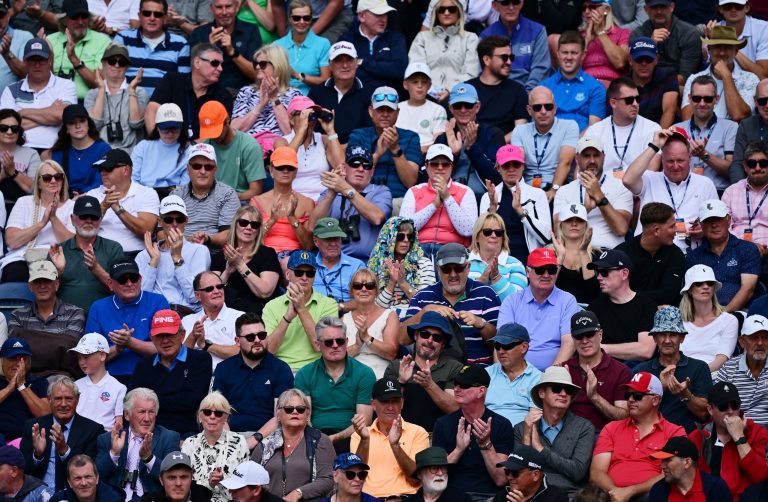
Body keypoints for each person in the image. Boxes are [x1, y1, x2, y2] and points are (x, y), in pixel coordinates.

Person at [590, 371, 685, 501]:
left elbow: (673, 472)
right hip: (610, 494)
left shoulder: (674, 432)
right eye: (628, 394)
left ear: (655, 400)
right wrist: (616, 493)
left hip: (650, 495)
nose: (630, 399)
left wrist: (630, 491)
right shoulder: (611, 428)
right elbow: (597, 471)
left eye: (637, 395)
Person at [623, 127, 718, 253]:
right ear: (662, 160)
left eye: (680, 160)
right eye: (670, 161)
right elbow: (627, 180)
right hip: (650, 254)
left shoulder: (705, 184)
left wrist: (704, 229)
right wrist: (655, 145)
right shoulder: (649, 179)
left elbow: (716, 222)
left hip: (690, 255)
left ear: (690, 158)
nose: (675, 166)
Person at [403, 243, 500, 364]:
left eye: (459, 268)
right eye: (446, 269)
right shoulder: (422, 297)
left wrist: (481, 324)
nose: (453, 274)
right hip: (432, 374)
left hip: (477, 375)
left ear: (468, 267)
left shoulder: (486, 294)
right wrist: (425, 311)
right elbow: (402, 340)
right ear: (438, 270)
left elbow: (501, 346)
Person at [432, 364, 514, 500]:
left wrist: (485, 444)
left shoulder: (501, 425)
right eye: (456, 384)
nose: (456, 389)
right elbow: (436, 476)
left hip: (489, 496)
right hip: (451, 496)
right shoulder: (443, 424)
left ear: (481, 391)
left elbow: (501, 479)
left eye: (464, 385)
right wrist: (458, 450)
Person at [294, 316, 376, 449]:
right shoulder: (305, 374)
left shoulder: (364, 373)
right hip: (314, 437)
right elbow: (305, 418)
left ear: (347, 342)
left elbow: (364, 421)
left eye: (340, 341)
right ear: (317, 344)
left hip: (352, 436)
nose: (335, 345)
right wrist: (318, 439)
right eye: (328, 342)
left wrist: (334, 438)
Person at [85, 258, 170, 384]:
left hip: (151, 375)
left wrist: (130, 342)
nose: (129, 283)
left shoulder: (158, 302)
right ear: (110, 283)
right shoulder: (98, 307)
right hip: (109, 379)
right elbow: (89, 359)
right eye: (122, 279)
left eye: (134, 278)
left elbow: (166, 350)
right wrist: (118, 348)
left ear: (140, 280)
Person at [128, 310, 212, 437]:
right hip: (149, 432)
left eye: (170, 334)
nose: (165, 341)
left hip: (187, 433)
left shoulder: (200, 359)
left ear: (182, 335)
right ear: (151, 337)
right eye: (160, 336)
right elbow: (133, 402)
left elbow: (191, 402)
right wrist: (176, 397)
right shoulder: (143, 365)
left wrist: (151, 401)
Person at [514, 366, 595, 497]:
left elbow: (578, 472)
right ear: (542, 393)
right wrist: (527, 437)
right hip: (531, 496)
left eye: (568, 390)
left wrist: (541, 449)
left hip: (569, 496)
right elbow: (518, 472)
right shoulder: (522, 428)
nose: (563, 394)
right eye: (557, 388)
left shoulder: (584, 427)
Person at [211, 312, 294, 437]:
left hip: (269, 437)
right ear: (237, 341)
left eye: (261, 335)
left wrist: (255, 439)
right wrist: (231, 441)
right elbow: (217, 412)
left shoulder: (280, 369)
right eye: (250, 337)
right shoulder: (223, 369)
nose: (257, 340)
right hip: (229, 435)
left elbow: (280, 416)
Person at [497, 247, 580, 370]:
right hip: (516, 372)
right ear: (528, 272)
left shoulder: (567, 301)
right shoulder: (512, 301)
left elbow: (569, 343)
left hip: (554, 375)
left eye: (551, 270)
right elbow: (502, 343)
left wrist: (552, 375)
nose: (546, 275)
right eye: (540, 270)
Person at [633, 306, 713, 433]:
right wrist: (659, 388)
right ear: (654, 338)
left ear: (682, 338)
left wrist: (685, 394)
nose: (667, 340)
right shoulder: (641, 371)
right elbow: (633, 413)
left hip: (685, 439)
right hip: (647, 436)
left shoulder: (699, 368)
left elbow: (705, 413)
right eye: (662, 335)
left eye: (673, 335)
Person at [309, 145, 392, 263]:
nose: (360, 169)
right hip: (333, 262)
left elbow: (377, 218)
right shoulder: (328, 194)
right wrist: (332, 192)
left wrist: (345, 189)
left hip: (368, 263)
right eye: (355, 163)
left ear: (372, 171)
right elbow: (313, 227)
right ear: (344, 168)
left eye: (366, 165)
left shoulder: (381, 191)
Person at [20, 376, 104, 491]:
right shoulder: (34, 427)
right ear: (49, 400)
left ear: (77, 399)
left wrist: (64, 450)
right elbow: (24, 471)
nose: (63, 404)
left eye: (69, 398)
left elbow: (89, 473)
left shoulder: (93, 430)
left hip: (73, 494)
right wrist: (37, 455)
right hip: (38, 494)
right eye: (58, 399)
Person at [94, 388, 181, 499]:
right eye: (141, 412)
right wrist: (114, 453)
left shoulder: (169, 438)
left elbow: (174, 478)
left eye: (151, 412)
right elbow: (96, 477)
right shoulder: (108, 439)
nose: (147, 418)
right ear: (127, 415)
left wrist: (149, 459)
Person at [249, 388, 335, 500]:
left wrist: (299, 493)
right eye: (288, 409)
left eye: (300, 409)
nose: (295, 412)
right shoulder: (265, 445)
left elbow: (329, 479)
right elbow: (250, 479)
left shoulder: (320, 440)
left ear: (307, 414)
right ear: (278, 414)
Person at [688, 380, 768, 500]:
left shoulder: (757, 433)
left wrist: (739, 437)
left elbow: (760, 476)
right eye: (723, 407)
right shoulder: (698, 437)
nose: (730, 411)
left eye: (735, 406)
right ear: (710, 409)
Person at [384, 311, 462, 432]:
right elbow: (386, 410)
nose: (430, 340)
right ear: (416, 335)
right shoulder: (396, 366)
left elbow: (454, 408)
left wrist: (430, 385)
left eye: (437, 337)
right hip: (402, 436)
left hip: (438, 439)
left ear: (443, 343)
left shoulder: (454, 367)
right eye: (425, 334)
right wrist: (401, 382)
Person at [350, 378, 429, 498]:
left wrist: (395, 445)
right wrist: (365, 440)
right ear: (373, 405)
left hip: (406, 497)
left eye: (395, 401)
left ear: (402, 403)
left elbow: (416, 479)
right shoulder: (359, 435)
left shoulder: (418, 433)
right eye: (385, 401)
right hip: (371, 499)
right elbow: (356, 476)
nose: (391, 407)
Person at [261, 250, 339, 371]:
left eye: (310, 273)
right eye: (299, 272)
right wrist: (287, 318)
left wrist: (301, 309)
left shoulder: (329, 304)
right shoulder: (271, 306)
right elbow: (269, 351)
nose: (304, 277)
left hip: (316, 369)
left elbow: (320, 346)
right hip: (281, 369)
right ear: (287, 274)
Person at [553, 136, 633, 250]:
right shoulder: (564, 191)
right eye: (586, 156)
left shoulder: (621, 187)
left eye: (596, 155)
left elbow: (621, 229)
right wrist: (584, 210)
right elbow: (558, 231)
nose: (592, 161)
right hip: (575, 253)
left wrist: (599, 197)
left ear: (603, 157)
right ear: (577, 158)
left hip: (608, 252)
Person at [1, 160, 74, 283]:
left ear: (63, 180)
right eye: (47, 178)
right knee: (15, 272)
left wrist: (53, 218)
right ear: (38, 183)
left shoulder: (72, 206)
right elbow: (12, 241)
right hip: (23, 258)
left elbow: (72, 245)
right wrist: (42, 223)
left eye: (58, 177)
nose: (53, 181)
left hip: (58, 258)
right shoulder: (24, 202)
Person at [136, 195, 211, 314]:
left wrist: (177, 258)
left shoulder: (199, 251)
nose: (174, 224)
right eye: (169, 219)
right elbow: (140, 297)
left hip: (185, 314)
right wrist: (153, 262)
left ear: (186, 221)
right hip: (155, 314)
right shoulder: (144, 255)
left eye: (179, 219)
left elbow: (194, 296)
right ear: (160, 221)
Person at [400, 144, 477, 259]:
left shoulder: (466, 191)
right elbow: (404, 228)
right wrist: (433, 206)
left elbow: (468, 230)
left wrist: (447, 198)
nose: (440, 168)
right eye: (435, 163)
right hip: (418, 248)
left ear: (452, 167)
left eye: (445, 164)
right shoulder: (414, 191)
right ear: (426, 166)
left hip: (453, 250)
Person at [51, 194, 123, 315]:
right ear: (73, 220)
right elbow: (43, 291)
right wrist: (59, 271)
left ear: (100, 220)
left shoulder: (113, 248)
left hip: (104, 318)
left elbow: (122, 290)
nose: (89, 221)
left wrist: (96, 269)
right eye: (83, 216)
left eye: (94, 217)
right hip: (64, 320)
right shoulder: (59, 250)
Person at [479, 145, 552, 265]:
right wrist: (492, 210)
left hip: (529, 263)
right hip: (496, 263)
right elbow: (480, 239)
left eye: (516, 164)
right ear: (498, 168)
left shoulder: (537, 194)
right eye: (506, 165)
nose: (511, 169)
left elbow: (546, 237)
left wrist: (521, 211)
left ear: (523, 166)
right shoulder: (488, 196)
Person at [347, 86, 422, 201]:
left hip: (398, 199)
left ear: (397, 113)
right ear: (371, 112)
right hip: (364, 198)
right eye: (380, 109)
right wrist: (376, 155)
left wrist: (396, 149)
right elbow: (353, 178)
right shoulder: (358, 136)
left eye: (390, 110)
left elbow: (410, 181)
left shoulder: (411, 137)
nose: (385, 114)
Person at [0, 38, 77, 150]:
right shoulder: (11, 90)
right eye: (32, 60)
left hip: (55, 150)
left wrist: (22, 113)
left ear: (50, 60)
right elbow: (7, 127)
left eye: (42, 60)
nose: (37, 65)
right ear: (25, 62)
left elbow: (61, 115)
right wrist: (51, 113)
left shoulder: (66, 85)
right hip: (19, 150)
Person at [686, 199, 761, 312]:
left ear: (729, 220)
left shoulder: (747, 249)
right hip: (703, 313)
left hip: (740, 312)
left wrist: (722, 316)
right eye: (709, 220)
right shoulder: (694, 256)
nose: (714, 224)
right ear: (701, 224)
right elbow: (691, 292)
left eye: (718, 219)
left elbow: (748, 289)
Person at [144, 43, 232, 138]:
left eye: (221, 64)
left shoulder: (223, 95)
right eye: (215, 63)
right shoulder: (172, 81)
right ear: (197, 62)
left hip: (202, 150)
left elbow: (221, 133)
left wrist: (191, 147)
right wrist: (159, 142)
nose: (220, 69)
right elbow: (152, 110)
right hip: (167, 143)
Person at [434, 82, 505, 197]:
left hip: (485, 199)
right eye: (458, 105)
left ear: (477, 107)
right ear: (451, 108)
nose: (463, 110)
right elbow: (433, 179)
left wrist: (471, 148)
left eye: (468, 105)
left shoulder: (493, 134)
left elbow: (497, 177)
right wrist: (453, 156)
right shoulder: (443, 138)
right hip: (448, 198)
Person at [586, 249, 658, 362]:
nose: (599, 277)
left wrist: (602, 348)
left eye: (604, 272)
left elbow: (646, 350)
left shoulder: (647, 305)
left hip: (638, 373)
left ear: (624, 273)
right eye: (597, 272)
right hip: (605, 371)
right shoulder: (594, 307)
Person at [565, 311, 631, 431]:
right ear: (573, 339)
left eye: (589, 334)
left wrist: (595, 397)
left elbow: (623, 417)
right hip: (568, 433)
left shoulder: (620, 371)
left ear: (600, 335)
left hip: (604, 434)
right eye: (579, 336)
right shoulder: (565, 369)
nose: (584, 341)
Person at [211, 206, 282, 315]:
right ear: (235, 225)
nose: (249, 227)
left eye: (254, 225)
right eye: (243, 222)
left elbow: (265, 292)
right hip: (225, 315)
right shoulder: (220, 256)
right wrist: (227, 272)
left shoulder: (267, 254)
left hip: (257, 316)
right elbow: (211, 294)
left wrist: (240, 265)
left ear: (259, 230)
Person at [87, 149, 160, 255]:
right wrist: (103, 206)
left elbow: (146, 231)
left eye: (108, 168)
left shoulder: (147, 193)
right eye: (100, 169)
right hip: (102, 255)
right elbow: (84, 230)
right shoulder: (93, 195)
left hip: (137, 254)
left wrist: (117, 208)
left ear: (126, 170)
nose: (103, 173)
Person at [510, 86, 579, 199]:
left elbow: (565, 163)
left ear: (555, 109)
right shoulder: (519, 130)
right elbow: (519, 164)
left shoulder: (569, 126)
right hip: (527, 188)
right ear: (529, 110)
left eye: (548, 106)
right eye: (537, 107)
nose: (543, 111)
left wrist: (553, 190)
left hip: (558, 186)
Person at [584, 77, 661, 176]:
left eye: (637, 99)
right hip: (602, 188)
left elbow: (651, 170)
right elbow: (582, 170)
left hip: (637, 189)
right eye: (629, 100)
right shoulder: (595, 131)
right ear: (613, 103)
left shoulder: (653, 129)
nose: (635, 104)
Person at [180, 392, 249, 502]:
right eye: (207, 412)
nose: (212, 416)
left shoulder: (239, 442)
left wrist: (223, 481)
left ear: (226, 417)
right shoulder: (189, 444)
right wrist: (209, 483)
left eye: (218, 413)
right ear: (200, 416)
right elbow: (183, 485)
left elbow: (245, 484)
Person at [674, 75, 738, 193]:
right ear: (689, 98)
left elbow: (732, 170)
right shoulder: (677, 129)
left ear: (716, 99)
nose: (702, 103)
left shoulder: (730, 127)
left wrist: (704, 155)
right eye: (697, 98)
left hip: (718, 191)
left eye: (708, 99)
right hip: (683, 191)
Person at [113, 0, 190, 97]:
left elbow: (183, 85)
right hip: (126, 102)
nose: (152, 18)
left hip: (163, 106)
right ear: (139, 16)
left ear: (165, 18)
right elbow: (112, 76)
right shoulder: (123, 38)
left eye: (157, 14)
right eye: (146, 13)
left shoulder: (181, 44)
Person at [681, 26, 757, 124]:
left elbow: (738, 115)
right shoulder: (694, 79)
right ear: (709, 50)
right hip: (703, 138)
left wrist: (726, 75)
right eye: (717, 47)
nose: (722, 53)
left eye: (727, 47)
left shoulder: (750, 79)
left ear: (736, 51)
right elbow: (687, 119)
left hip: (737, 138)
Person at [615, 202, 686, 307]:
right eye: (672, 226)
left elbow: (669, 295)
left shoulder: (676, 255)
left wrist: (629, 295)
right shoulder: (622, 253)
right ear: (656, 230)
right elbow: (615, 293)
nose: (676, 230)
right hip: (626, 311)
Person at [273, 95, 342, 202]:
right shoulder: (282, 142)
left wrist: (330, 131)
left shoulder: (324, 140)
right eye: (303, 114)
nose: (308, 118)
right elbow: (284, 162)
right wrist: (301, 130)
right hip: (293, 199)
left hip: (323, 199)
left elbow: (341, 166)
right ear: (291, 119)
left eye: (312, 113)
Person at [407, 0, 479, 101]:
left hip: (460, 96)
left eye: (452, 9)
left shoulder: (470, 38)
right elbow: (417, 68)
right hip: (426, 96)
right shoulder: (422, 38)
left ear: (459, 12)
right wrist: (431, 91)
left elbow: (471, 72)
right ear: (436, 13)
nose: (446, 13)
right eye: (442, 10)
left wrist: (450, 90)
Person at [173, 142, 240, 249]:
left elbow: (230, 233)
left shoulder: (228, 194)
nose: (203, 171)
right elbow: (162, 232)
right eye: (197, 166)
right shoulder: (176, 196)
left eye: (208, 167)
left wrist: (208, 239)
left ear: (215, 170)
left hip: (214, 253)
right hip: (180, 250)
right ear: (187, 170)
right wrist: (186, 242)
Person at [249, 146, 315, 254]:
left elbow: (308, 246)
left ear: (296, 172)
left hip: (295, 258)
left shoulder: (307, 203)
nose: (285, 171)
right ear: (271, 170)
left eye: (290, 168)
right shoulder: (257, 201)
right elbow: (250, 241)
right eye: (280, 167)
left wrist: (292, 218)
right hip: (264, 255)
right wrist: (272, 220)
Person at [85, 44, 149, 154]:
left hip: (130, 154)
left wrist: (132, 91)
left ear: (127, 67)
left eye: (122, 62)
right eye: (112, 61)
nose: (116, 65)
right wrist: (101, 90)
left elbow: (136, 123)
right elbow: (93, 125)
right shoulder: (92, 94)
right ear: (103, 63)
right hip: (100, 153)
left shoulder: (139, 92)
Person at [307, 42, 374, 145]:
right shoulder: (316, 93)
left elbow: (369, 132)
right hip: (323, 149)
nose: (345, 65)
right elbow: (310, 129)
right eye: (338, 60)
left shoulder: (368, 93)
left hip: (357, 150)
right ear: (330, 65)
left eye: (349, 60)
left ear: (356, 63)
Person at [189, 0, 261, 94]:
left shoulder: (251, 31)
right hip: (208, 95)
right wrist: (210, 49)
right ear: (212, 9)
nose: (224, 12)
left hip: (241, 96)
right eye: (219, 7)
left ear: (237, 7)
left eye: (228, 6)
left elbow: (256, 74)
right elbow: (194, 75)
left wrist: (233, 52)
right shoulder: (198, 33)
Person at [367, 217, 436, 316]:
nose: (406, 240)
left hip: (415, 316)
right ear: (389, 237)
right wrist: (391, 283)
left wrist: (402, 282)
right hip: (383, 317)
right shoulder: (376, 264)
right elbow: (375, 308)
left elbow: (426, 304)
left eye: (410, 236)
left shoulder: (424, 263)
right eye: (400, 237)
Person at [541, 31, 606, 133]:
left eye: (574, 53)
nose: (569, 57)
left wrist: (571, 146)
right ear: (558, 54)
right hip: (550, 144)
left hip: (582, 144)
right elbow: (539, 125)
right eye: (564, 52)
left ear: (583, 55)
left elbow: (594, 128)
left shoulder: (595, 88)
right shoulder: (544, 87)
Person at [231, 44, 302, 138]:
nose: (257, 67)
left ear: (278, 65)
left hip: (277, 148)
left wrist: (274, 99)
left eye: (262, 64)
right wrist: (260, 105)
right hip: (249, 147)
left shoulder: (295, 95)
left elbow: (289, 132)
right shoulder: (247, 92)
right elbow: (234, 130)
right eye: (255, 63)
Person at [47, 0, 111, 102]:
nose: (80, 22)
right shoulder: (50, 41)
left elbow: (100, 83)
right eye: (75, 17)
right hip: (54, 101)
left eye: (84, 16)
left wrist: (75, 60)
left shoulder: (102, 41)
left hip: (88, 103)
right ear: (64, 20)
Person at [466, 36, 528, 141]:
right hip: (471, 146)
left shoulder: (518, 90)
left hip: (505, 149)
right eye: (504, 57)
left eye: (511, 57)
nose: (509, 62)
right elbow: (457, 123)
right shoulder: (467, 89)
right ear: (486, 60)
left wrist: (497, 144)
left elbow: (520, 129)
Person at [679, 265, 739, 373]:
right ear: (689, 290)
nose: (705, 286)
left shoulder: (729, 320)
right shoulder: (678, 320)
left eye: (710, 283)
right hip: (682, 375)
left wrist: (698, 376)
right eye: (699, 283)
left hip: (716, 377)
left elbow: (722, 359)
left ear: (714, 288)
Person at [337, 0, 406, 91]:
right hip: (355, 96)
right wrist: (384, 71)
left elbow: (399, 71)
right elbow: (343, 73)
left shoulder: (396, 38)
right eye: (378, 14)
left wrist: (362, 63)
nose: (384, 19)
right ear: (362, 16)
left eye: (385, 14)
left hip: (388, 97)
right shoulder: (346, 40)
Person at [630, 0, 702, 86]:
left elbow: (685, 78)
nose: (659, 11)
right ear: (646, 9)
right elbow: (635, 73)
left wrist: (661, 88)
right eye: (654, 7)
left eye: (663, 6)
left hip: (678, 90)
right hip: (644, 89)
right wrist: (650, 45)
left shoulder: (690, 34)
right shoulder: (637, 34)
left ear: (672, 7)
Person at [343, 268, 399, 378]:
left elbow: (392, 353)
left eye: (369, 285)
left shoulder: (389, 316)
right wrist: (356, 346)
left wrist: (368, 338)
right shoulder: (344, 319)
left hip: (380, 376)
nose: (364, 289)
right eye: (358, 286)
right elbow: (336, 357)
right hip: (350, 377)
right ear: (351, 291)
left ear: (376, 290)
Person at [480, 3, 548, 92]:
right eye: (505, 2)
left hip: (529, 95)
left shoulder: (538, 31)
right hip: (497, 94)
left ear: (522, 3)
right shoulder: (486, 36)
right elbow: (485, 74)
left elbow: (540, 69)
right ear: (495, 5)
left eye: (516, 2)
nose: (511, 7)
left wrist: (526, 95)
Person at [484, 323, 543, 427]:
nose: (501, 351)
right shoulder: (486, 373)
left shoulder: (538, 378)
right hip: (485, 432)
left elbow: (534, 418)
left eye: (507, 345)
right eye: (497, 346)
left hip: (519, 435)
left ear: (524, 347)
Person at [8, 260, 85, 340]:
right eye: (37, 281)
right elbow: (16, 347)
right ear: (31, 286)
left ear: (56, 284)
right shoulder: (17, 315)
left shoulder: (74, 314)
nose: (42, 286)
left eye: (47, 281)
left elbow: (69, 346)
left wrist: (29, 338)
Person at [180, 271, 243, 368]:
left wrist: (206, 345)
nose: (216, 291)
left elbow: (242, 352)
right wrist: (193, 336)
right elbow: (179, 357)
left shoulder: (240, 317)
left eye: (219, 286)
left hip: (229, 378)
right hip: (195, 378)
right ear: (198, 295)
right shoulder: (187, 321)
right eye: (209, 289)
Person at [715, 315, 768, 427]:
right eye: (754, 338)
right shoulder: (728, 369)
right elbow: (718, 405)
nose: (760, 343)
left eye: (765, 338)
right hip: (737, 429)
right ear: (742, 341)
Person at [49, 104, 112, 196]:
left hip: (96, 198)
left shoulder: (103, 149)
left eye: (82, 121)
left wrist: (85, 195)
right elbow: (56, 181)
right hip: (66, 200)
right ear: (66, 128)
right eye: (72, 122)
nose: (78, 126)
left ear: (88, 124)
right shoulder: (59, 152)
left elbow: (103, 180)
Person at [69, 333, 126, 432]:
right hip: (78, 437)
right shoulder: (75, 386)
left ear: (102, 355)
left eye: (86, 356)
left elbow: (119, 423)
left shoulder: (119, 388)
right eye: (79, 358)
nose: (81, 362)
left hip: (103, 439)